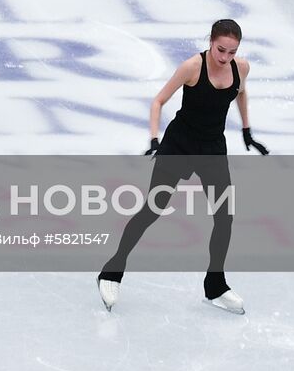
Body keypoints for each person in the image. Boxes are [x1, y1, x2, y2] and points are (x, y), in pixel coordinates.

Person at [95, 19, 269, 314]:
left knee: (224, 216)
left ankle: (215, 286)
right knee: (153, 209)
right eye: (220, 50)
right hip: (179, 146)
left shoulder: (241, 68)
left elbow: (240, 92)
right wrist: (154, 140)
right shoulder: (192, 67)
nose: (224, 57)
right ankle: (111, 272)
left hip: (212, 148)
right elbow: (158, 101)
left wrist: (246, 131)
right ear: (210, 41)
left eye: (231, 52)